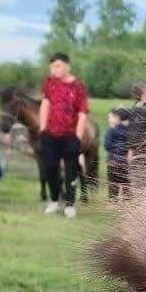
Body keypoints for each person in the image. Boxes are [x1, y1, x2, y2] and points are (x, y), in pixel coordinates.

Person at [38, 52, 90, 218]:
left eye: (58, 65)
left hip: (70, 135)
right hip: (50, 134)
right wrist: (42, 127)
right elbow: (45, 104)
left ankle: (69, 204)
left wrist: (77, 136)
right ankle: (54, 201)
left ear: (67, 66)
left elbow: (82, 112)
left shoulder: (78, 86)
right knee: (50, 169)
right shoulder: (49, 83)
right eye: (52, 66)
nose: (55, 69)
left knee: (70, 171)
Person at [104, 107, 132, 200]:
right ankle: (126, 199)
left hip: (113, 161)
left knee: (113, 183)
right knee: (125, 181)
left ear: (116, 118)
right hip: (125, 161)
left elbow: (107, 146)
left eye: (110, 117)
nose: (108, 120)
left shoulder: (110, 131)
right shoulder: (128, 131)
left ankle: (113, 200)